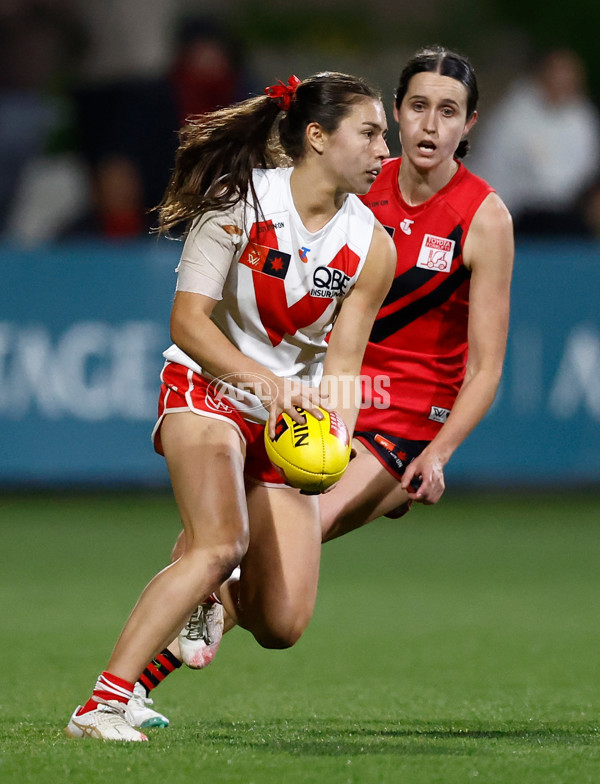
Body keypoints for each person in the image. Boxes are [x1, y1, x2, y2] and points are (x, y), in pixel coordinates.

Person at [126, 44, 514, 730]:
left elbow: (484, 366)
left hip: (402, 422)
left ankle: (149, 661)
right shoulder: (354, 177)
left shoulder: (483, 216)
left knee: (285, 535)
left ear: (470, 124)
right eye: (417, 106)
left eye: (448, 112)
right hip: (323, 397)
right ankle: (142, 670)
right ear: (395, 113)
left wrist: (441, 453)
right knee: (242, 558)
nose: (429, 124)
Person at [65, 70, 395, 741]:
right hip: (208, 389)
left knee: (281, 622)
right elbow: (188, 322)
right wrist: (266, 386)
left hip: (288, 420)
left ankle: (206, 595)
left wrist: (336, 438)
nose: (383, 150)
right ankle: (100, 705)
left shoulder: (373, 247)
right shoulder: (237, 201)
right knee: (221, 543)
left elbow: (345, 364)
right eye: (369, 132)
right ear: (317, 136)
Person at [470, 47, 600, 235]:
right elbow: (548, 183)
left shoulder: (581, 116)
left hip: (566, 208)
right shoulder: (514, 116)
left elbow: (587, 168)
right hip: (517, 210)